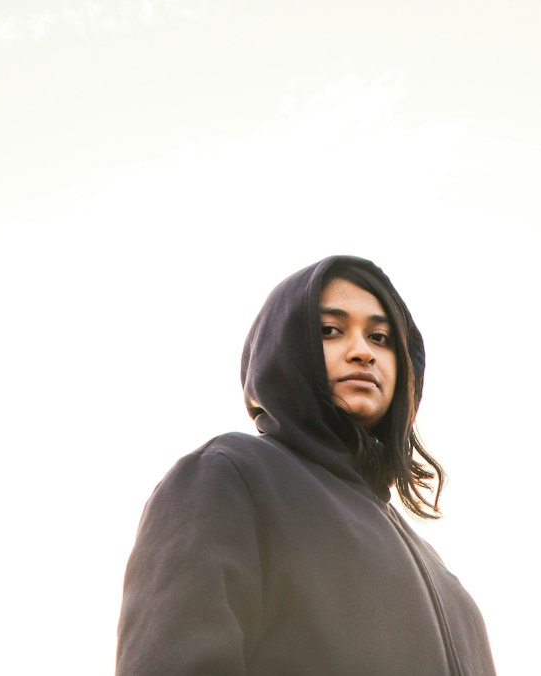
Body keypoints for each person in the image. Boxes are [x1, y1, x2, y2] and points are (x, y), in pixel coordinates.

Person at [115, 253, 498, 676]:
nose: (361, 352)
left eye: (381, 338)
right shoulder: (230, 477)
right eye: (331, 331)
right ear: (285, 346)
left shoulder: (452, 590)